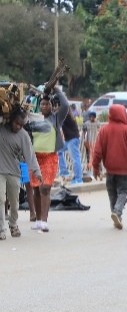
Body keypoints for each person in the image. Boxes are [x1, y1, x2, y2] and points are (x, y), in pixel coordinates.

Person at [28, 86, 69, 233]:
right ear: (39, 106)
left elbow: (65, 105)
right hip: (34, 159)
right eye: (43, 104)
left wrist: (56, 90)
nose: (45, 106)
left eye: (48, 104)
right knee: (36, 191)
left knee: (45, 188)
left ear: (52, 106)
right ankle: (38, 220)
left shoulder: (56, 118)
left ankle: (45, 221)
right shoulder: (33, 118)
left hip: (50, 158)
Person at [91, 105, 127, 230]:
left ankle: (116, 215)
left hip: (110, 169)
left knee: (112, 193)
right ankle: (117, 212)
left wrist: (95, 167)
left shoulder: (104, 130)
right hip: (124, 169)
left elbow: (97, 151)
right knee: (122, 192)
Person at [0, 109, 42, 240]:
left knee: (14, 201)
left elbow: (30, 155)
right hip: (0, 171)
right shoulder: (1, 129)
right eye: (17, 123)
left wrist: (37, 172)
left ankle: (13, 224)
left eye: (21, 125)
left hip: (14, 171)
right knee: (0, 200)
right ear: (11, 120)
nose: (18, 127)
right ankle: (1, 228)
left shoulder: (23, 135)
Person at [58, 109, 83, 185]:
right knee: (59, 151)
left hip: (72, 139)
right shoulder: (67, 115)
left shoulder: (66, 116)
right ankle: (64, 171)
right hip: (69, 139)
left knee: (75, 159)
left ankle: (78, 179)